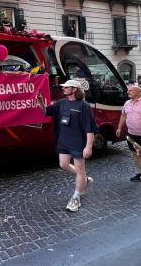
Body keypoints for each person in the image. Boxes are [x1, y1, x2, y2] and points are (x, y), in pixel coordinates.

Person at [37, 79, 96, 212]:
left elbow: (90, 128)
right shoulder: (61, 103)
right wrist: (40, 102)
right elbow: (46, 112)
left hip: (78, 142)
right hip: (63, 140)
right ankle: (84, 179)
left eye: (66, 87)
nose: (63, 89)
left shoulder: (83, 105)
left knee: (80, 170)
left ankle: (76, 198)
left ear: (74, 89)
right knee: (63, 164)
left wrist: (89, 146)